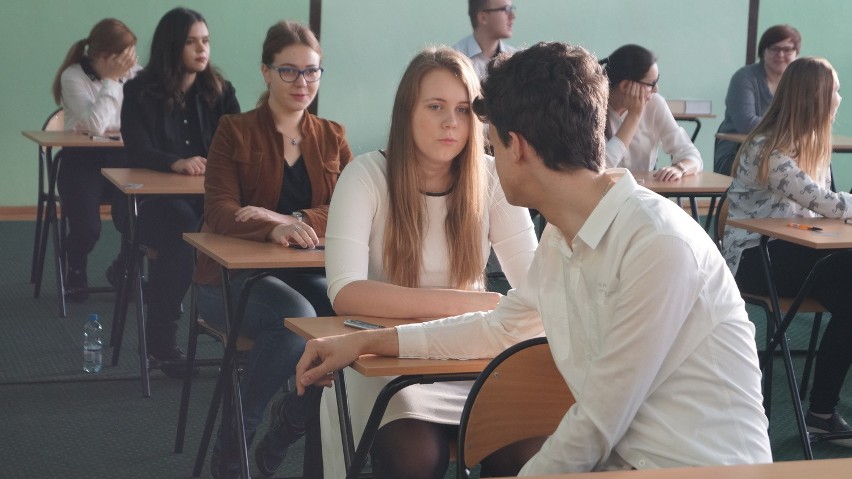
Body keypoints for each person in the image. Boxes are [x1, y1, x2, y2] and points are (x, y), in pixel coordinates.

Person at [297, 42, 773, 475]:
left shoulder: (658, 244)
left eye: (490, 139)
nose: (481, 152)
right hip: (623, 461)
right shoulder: (565, 236)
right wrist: (367, 343)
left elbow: (595, 426)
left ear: (517, 147)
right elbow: (500, 327)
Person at [318, 47, 538, 478]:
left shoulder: (493, 177)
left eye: (462, 109)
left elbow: (535, 284)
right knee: (419, 456)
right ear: (407, 112)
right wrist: (477, 304)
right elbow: (345, 292)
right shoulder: (366, 175)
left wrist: (488, 310)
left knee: (527, 449)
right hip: (383, 360)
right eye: (435, 106)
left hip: (471, 357)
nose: (450, 122)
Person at [194, 21, 352, 478]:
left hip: (305, 272)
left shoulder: (332, 135)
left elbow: (351, 206)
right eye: (288, 71)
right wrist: (270, 231)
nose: (302, 83)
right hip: (231, 280)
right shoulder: (234, 130)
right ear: (265, 72)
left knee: (347, 317)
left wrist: (292, 220)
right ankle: (235, 449)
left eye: (311, 72)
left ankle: (287, 429)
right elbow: (220, 210)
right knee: (294, 318)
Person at [722, 57, 852, 444]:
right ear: (815, 99)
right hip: (756, 259)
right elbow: (830, 205)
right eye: (835, 92)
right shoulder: (770, 150)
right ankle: (822, 411)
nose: (840, 98)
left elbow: (824, 211)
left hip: (796, 252)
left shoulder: (812, 146)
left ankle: (821, 412)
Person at [120, 7, 240, 377]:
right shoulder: (140, 90)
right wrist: (174, 162)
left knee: (240, 223)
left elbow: (240, 141)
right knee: (183, 229)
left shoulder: (219, 89)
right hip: (148, 203)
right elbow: (136, 148)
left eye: (205, 41)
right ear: (173, 46)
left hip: (206, 198)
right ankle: (161, 342)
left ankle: (242, 334)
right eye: (191, 42)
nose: (202, 49)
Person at [51, 18, 139, 301]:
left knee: (142, 220)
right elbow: (98, 124)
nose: (132, 62)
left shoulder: (135, 74)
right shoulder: (73, 76)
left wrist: (106, 124)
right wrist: (112, 81)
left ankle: (123, 268)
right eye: (126, 56)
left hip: (124, 159)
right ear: (105, 57)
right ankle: (75, 264)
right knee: (88, 228)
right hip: (81, 162)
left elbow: (143, 120)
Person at [601, 44, 703, 181]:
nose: (656, 90)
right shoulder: (593, 108)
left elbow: (692, 155)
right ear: (625, 86)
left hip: (644, 193)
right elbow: (600, 168)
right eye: (651, 83)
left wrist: (680, 168)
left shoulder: (654, 104)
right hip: (604, 196)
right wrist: (634, 116)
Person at [714, 25, 801, 175]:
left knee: (815, 163)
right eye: (774, 49)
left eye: (787, 50)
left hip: (783, 151)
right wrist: (791, 128)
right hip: (737, 153)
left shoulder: (799, 81)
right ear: (763, 51)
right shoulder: (744, 78)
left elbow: (808, 121)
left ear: (796, 53)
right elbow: (746, 123)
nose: (781, 55)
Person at [453, 0, 517, 80]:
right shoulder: (454, 61)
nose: (513, 16)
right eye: (506, 9)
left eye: (511, 9)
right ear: (483, 17)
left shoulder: (515, 60)